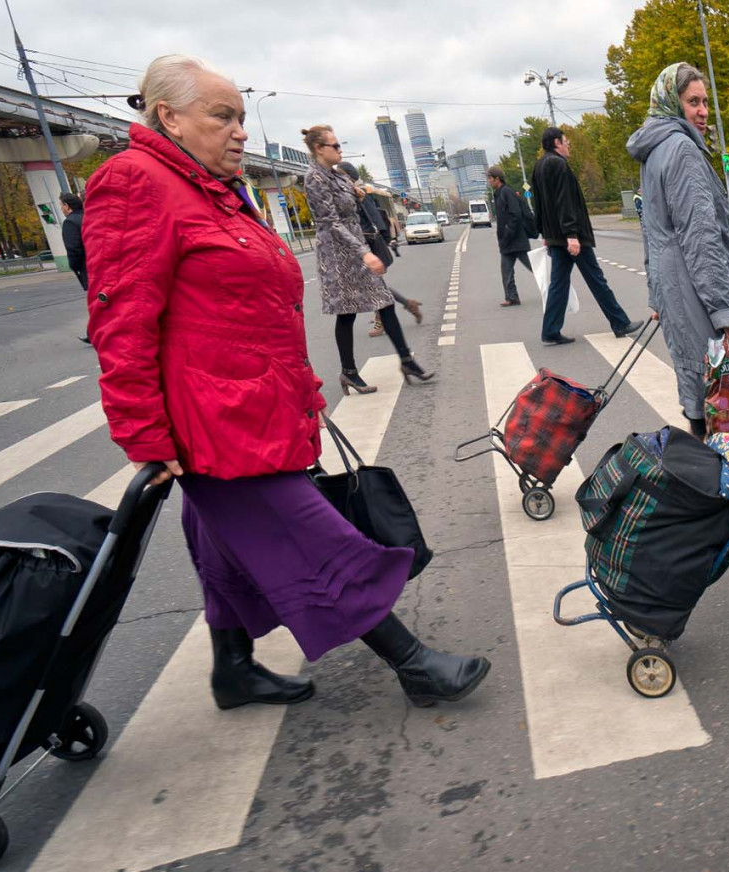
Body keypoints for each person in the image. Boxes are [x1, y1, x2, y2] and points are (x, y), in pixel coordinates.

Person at [83, 55, 488, 711]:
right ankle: (411, 662)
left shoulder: (210, 188)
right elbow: (121, 320)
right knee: (312, 539)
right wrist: (144, 437)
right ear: (170, 118)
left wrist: (300, 389)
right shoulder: (135, 184)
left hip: (251, 405)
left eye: (241, 117)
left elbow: (248, 307)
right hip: (212, 422)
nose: (240, 131)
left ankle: (233, 669)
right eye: (223, 117)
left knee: (223, 546)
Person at [627, 61, 729, 440]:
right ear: (671, 102)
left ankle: (709, 479)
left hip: (675, 289)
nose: (702, 112)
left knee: (700, 392)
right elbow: (701, 239)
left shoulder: (655, 151)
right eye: (692, 102)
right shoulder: (681, 150)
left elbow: (652, 231)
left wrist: (656, 295)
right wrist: (727, 312)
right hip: (698, 293)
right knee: (728, 389)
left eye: (704, 102)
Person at [304, 126, 434, 394]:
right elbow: (330, 222)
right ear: (319, 148)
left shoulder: (336, 174)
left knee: (384, 302)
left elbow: (350, 196)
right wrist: (364, 252)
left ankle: (407, 362)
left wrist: (358, 193)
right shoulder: (314, 179)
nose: (340, 150)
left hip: (355, 245)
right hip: (338, 253)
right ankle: (349, 372)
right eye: (335, 146)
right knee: (347, 312)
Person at [530, 126, 644, 345]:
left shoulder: (539, 166)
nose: (568, 144)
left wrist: (546, 232)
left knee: (558, 284)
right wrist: (572, 234)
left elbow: (540, 204)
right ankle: (620, 322)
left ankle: (551, 330)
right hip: (572, 237)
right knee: (596, 279)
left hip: (556, 236)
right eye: (565, 141)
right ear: (556, 143)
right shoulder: (558, 165)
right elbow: (565, 202)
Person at [333, 163, 421, 337]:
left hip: (368, 247)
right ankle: (408, 305)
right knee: (374, 285)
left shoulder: (360, 193)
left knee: (373, 286)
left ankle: (385, 318)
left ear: (349, 178)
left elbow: (375, 218)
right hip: (361, 246)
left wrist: (388, 240)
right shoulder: (349, 193)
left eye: (341, 177)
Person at [487, 166, 531, 308]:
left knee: (535, 267)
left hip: (516, 240)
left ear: (497, 179)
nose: (488, 181)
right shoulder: (498, 193)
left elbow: (516, 215)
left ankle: (555, 287)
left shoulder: (507, 192)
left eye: (490, 178)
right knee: (506, 270)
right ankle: (512, 297)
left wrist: (508, 233)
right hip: (507, 242)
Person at [60, 192, 91, 344]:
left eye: (61, 205)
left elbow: (73, 248)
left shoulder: (70, 223)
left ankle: (95, 333)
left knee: (97, 302)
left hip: (88, 266)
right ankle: (92, 333)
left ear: (67, 206)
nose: (61, 208)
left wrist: (75, 266)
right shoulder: (88, 217)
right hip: (101, 264)